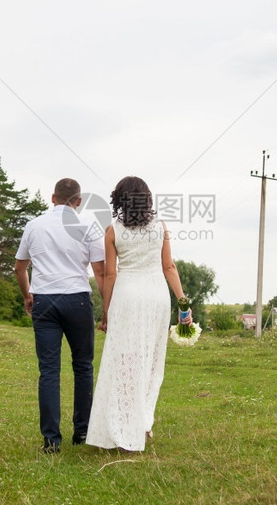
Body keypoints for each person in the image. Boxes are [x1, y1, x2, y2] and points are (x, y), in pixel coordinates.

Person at [86, 176, 191, 452]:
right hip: (156, 297)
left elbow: (110, 274)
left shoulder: (112, 231)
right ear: (147, 199)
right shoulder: (160, 228)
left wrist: (106, 312)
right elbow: (169, 267)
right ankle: (143, 423)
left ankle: (121, 425)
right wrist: (183, 304)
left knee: (123, 361)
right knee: (151, 361)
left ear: (120, 200)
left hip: (127, 297)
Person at [14, 178, 105, 454]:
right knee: (83, 366)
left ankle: (51, 440)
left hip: (44, 300)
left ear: (52, 198)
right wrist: (108, 310)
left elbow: (20, 268)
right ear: (78, 202)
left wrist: (27, 295)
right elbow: (100, 273)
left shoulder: (34, 226)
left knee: (49, 371)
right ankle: (83, 430)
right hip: (77, 300)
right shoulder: (88, 227)